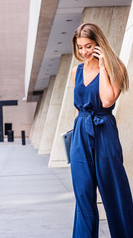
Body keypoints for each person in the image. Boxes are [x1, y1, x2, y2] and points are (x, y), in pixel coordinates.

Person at [70, 23, 133, 238]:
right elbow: (78, 107)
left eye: (88, 46)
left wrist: (104, 65)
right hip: (80, 133)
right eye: (80, 47)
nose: (84, 52)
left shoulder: (117, 68)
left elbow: (106, 100)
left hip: (104, 132)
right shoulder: (75, 72)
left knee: (114, 192)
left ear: (99, 44)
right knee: (83, 195)